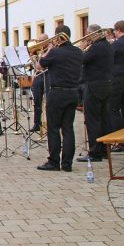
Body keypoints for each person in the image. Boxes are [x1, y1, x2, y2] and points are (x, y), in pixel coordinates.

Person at [35, 25, 83, 172]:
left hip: (57, 94)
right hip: (73, 93)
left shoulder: (55, 52)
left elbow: (39, 66)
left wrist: (49, 49)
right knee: (68, 128)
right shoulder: (78, 52)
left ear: (57, 37)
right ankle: (67, 164)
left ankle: (54, 162)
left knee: (54, 129)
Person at [76, 24, 113, 163]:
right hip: (106, 85)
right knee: (103, 118)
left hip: (94, 86)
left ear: (93, 34)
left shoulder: (96, 47)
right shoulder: (107, 46)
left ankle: (95, 152)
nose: (86, 37)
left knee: (92, 120)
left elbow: (82, 60)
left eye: (87, 34)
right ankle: (104, 150)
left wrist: (81, 49)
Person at [29, 33, 49, 133]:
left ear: (47, 40)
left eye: (41, 41)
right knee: (37, 101)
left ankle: (48, 123)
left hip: (47, 75)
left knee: (48, 101)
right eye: (39, 41)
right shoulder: (38, 51)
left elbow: (43, 64)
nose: (39, 43)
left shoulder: (50, 50)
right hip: (38, 76)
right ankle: (37, 123)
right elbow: (36, 66)